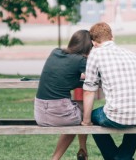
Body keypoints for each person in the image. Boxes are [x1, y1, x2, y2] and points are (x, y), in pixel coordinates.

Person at [81, 22, 136, 160]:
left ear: (93, 43)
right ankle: (123, 156)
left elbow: (89, 90)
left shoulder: (95, 54)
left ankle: (117, 158)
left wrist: (86, 122)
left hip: (116, 116)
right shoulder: (131, 54)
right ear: (112, 38)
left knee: (92, 117)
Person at [34, 30, 93, 160]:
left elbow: (64, 74)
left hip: (40, 113)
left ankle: (67, 155)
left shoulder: (55, 52)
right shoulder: (81, 60)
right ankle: (81, 150)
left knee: (79, 108)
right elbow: (95, 77)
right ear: (88, 47)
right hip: (59, 114)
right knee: (84, 116)